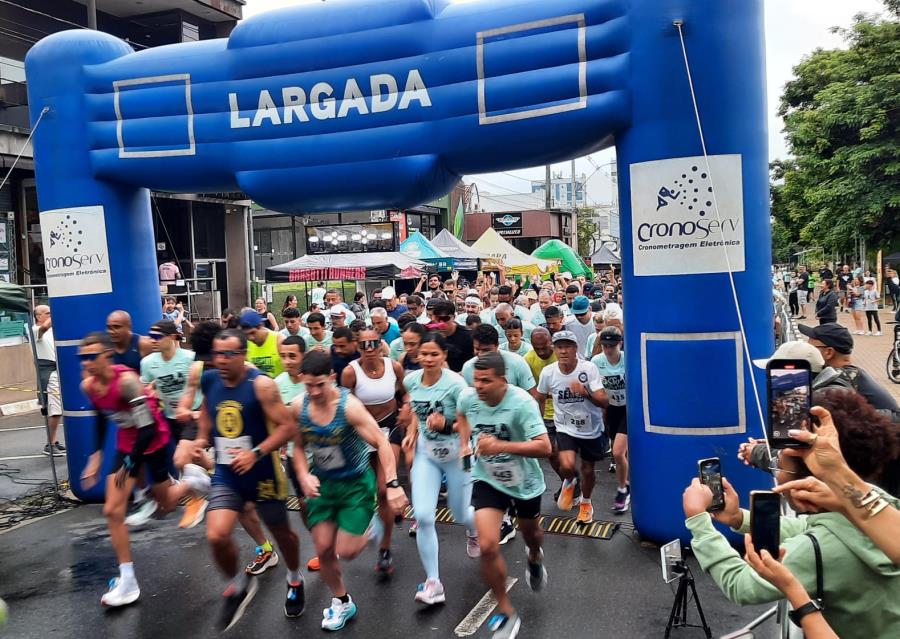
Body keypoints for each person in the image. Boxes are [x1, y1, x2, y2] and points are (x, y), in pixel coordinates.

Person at [682, 395, 900, 639]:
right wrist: (737, 518)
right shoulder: (880, 505)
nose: (775, 470)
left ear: (810, 472)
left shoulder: (813, 551)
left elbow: (741, 586)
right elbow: (809, 526)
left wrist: (698, 521)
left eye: (779, 465)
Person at [78, 332, 203, 607]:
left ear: (107, 357)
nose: (85, 363)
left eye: (91, 357)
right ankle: (128, 581)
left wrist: (131, 464)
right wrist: (96, 455)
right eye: (81, 358)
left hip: (152, 440)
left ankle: (192, 481)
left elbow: (146, 428)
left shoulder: (126, 382)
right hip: (126, 443)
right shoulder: (88, 386)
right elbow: (101, 416)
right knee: (113, 510)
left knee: (168, 503)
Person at [291, 350, 409, 631]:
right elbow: (295, 447)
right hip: (323, 484)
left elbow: (381, 443)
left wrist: (392, 484)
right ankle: (342, 602)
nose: (315, 391)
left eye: (320, 384)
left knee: (348, 550)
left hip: (355, 485)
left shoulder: (349, 406)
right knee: (323, 549)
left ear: (332, 377)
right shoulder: (298, 406)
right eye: (308, 385)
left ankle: (374, 524)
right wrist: (303, 474)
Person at [197, 329, 304, 630]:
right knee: (216, 535)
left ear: (243, 355)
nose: (222, 360)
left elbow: (287, 428)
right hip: (227, 473)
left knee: (283, 535)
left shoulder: (262, 386)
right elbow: (206, 410)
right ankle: (236, 587)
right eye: (218, 353)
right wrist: (201, 438)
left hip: (264, 474)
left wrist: (256, 452)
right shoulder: (210, 380)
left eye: (229, 354)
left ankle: (294, 578)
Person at [456, 352, 551, 639]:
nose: (480, 387)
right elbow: (461, 416)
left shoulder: (522, 403)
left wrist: (500, 446)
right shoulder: (468, 398)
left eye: (486, 381)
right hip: (488, 479)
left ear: (503, 381)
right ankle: (507, 612)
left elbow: (545, 447)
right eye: (476, 381)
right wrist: (464, 444)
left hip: (524, 481)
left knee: (530, 534)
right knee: (487, 545)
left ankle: (534, 556)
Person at [401, 332, 479, 605]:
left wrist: (445, 425)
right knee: (422, 515)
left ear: (444, 355)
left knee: (461, 513)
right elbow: (415, 409)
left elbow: (470, 422)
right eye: (424, 353)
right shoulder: (411, 379)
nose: (428, 359)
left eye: (434, 354)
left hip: (458, 454)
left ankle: (475, 530)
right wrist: (412, 432)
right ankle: (433, 581)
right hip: (427, 455)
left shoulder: (456, 385)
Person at [341, 329, 409, 576]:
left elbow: (404, 393)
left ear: (381, 344)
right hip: (361, 434)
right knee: (367, 489)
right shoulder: (350, 372)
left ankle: (385, 548)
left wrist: (407, 408)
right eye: (363, 344)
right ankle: (379, 519)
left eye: (373, 343)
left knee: (383, 490)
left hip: (389, 430)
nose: (369, 348)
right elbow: (342, 405)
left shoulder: (394, 367)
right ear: (357, 346)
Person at [535, 331, 608, 524]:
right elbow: (540, 398)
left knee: (588, 470)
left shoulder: (588, 369)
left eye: (568, 346)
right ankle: (570, 480)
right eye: (559, 347)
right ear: (554, 349)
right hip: (565, 427)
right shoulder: (548, 372)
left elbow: (604, 401)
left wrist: (585, 393)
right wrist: (538, 424)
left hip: (590, 428)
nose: (563, 351)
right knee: (566, 464)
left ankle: (586, 503)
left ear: (576, 349)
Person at [798, 323, 899, 416]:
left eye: (810, 349)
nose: (806, 351)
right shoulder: (848, 373)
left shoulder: (843, 377)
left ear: (828, 352)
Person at [591, 327, 629, 512]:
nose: (608, 349)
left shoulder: (628, 358)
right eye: (605, 345)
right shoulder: (597, 361)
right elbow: (593, 387)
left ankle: (623, 489)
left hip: (630, 410)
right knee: (621, 453)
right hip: (611, 409)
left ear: (620, 344)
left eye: (612, 346)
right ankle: (627, 482)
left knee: (617, 452)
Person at [463, 325, 536, 392]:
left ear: (497, 345)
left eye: (486, 350)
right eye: (477, 349)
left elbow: (533, 394)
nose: (481, 354)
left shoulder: (517, 363)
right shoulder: (468, 368)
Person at [32, 305, 64, 456]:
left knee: (58, 409)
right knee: (55, 410)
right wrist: (59, 311)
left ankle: (53, 441)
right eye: (48, 313)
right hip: (49, 373)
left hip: (57, 371)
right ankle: (49, 444)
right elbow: (44, 327)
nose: (51, 315)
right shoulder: (34, 330)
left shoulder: (53, 331)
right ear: (38, 316)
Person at [431, 299, 473, 372]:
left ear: (453, 317)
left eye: (445, 318)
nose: (441, 322)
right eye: (438, 318)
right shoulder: (430, 334)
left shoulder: (467, 336)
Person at [240, 309, 285, 378]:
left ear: (261, 326)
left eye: (253, 333)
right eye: (247, 335)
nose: (250, 338)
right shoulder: (246, 344)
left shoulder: (279, 340)